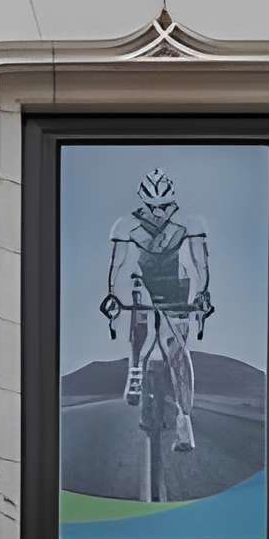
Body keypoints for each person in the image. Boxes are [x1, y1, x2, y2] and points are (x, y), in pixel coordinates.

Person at [103, 167, 211, 453]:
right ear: (143, 202)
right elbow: (117, 265)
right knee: (139, 307)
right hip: (144, 282)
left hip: (177, 284)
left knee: (176, 351)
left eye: (164, 206)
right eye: (152, 207)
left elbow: (200, 264)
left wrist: (203, 293)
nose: (159, 212)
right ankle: (135, 365)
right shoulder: (125, 225)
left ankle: (184, 420)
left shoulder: (190, 223)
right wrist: (112, 293)